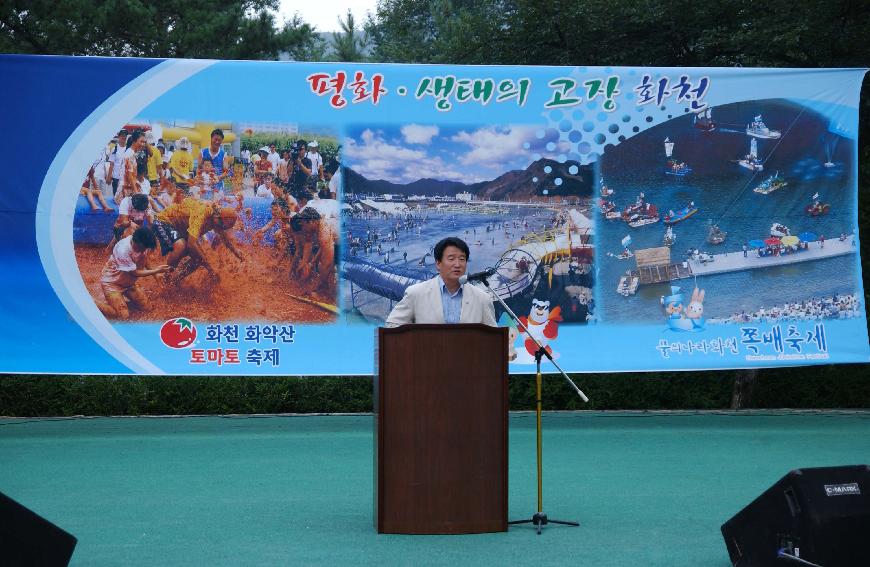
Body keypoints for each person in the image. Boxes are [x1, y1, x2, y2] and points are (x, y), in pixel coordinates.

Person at [385, 236, 496, 327]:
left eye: (462, 259)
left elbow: (492, 337)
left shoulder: (482, 299)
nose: (457, 264)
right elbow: (392, 325)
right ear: (438, 264)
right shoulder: (416, 293)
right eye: (451, 259)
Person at [153, 198, 243, 283]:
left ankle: (174, 281)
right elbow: (191, 244)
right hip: (163, 220)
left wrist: (235, 251)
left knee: (198, 259)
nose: (221, 228)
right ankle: (166, 276)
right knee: (182, 246)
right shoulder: (202, 214)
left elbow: (224, 237)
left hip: (181, 230)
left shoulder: (218, 218)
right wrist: (210, 269)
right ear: (217, 216)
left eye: (224, 227)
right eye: (221, 225)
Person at [95, 227, 170, 319]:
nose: (143, 251)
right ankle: (94, 303)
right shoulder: (123, 250)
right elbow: (134, 273)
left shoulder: (143, 244)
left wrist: (156, 275)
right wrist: (156, 270)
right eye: (142, 248)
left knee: (147, 308)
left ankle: (118, 303)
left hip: (128, 283)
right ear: (135, 241)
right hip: (112, 283)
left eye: (145, 248)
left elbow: (144, 258)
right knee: (123, 316)